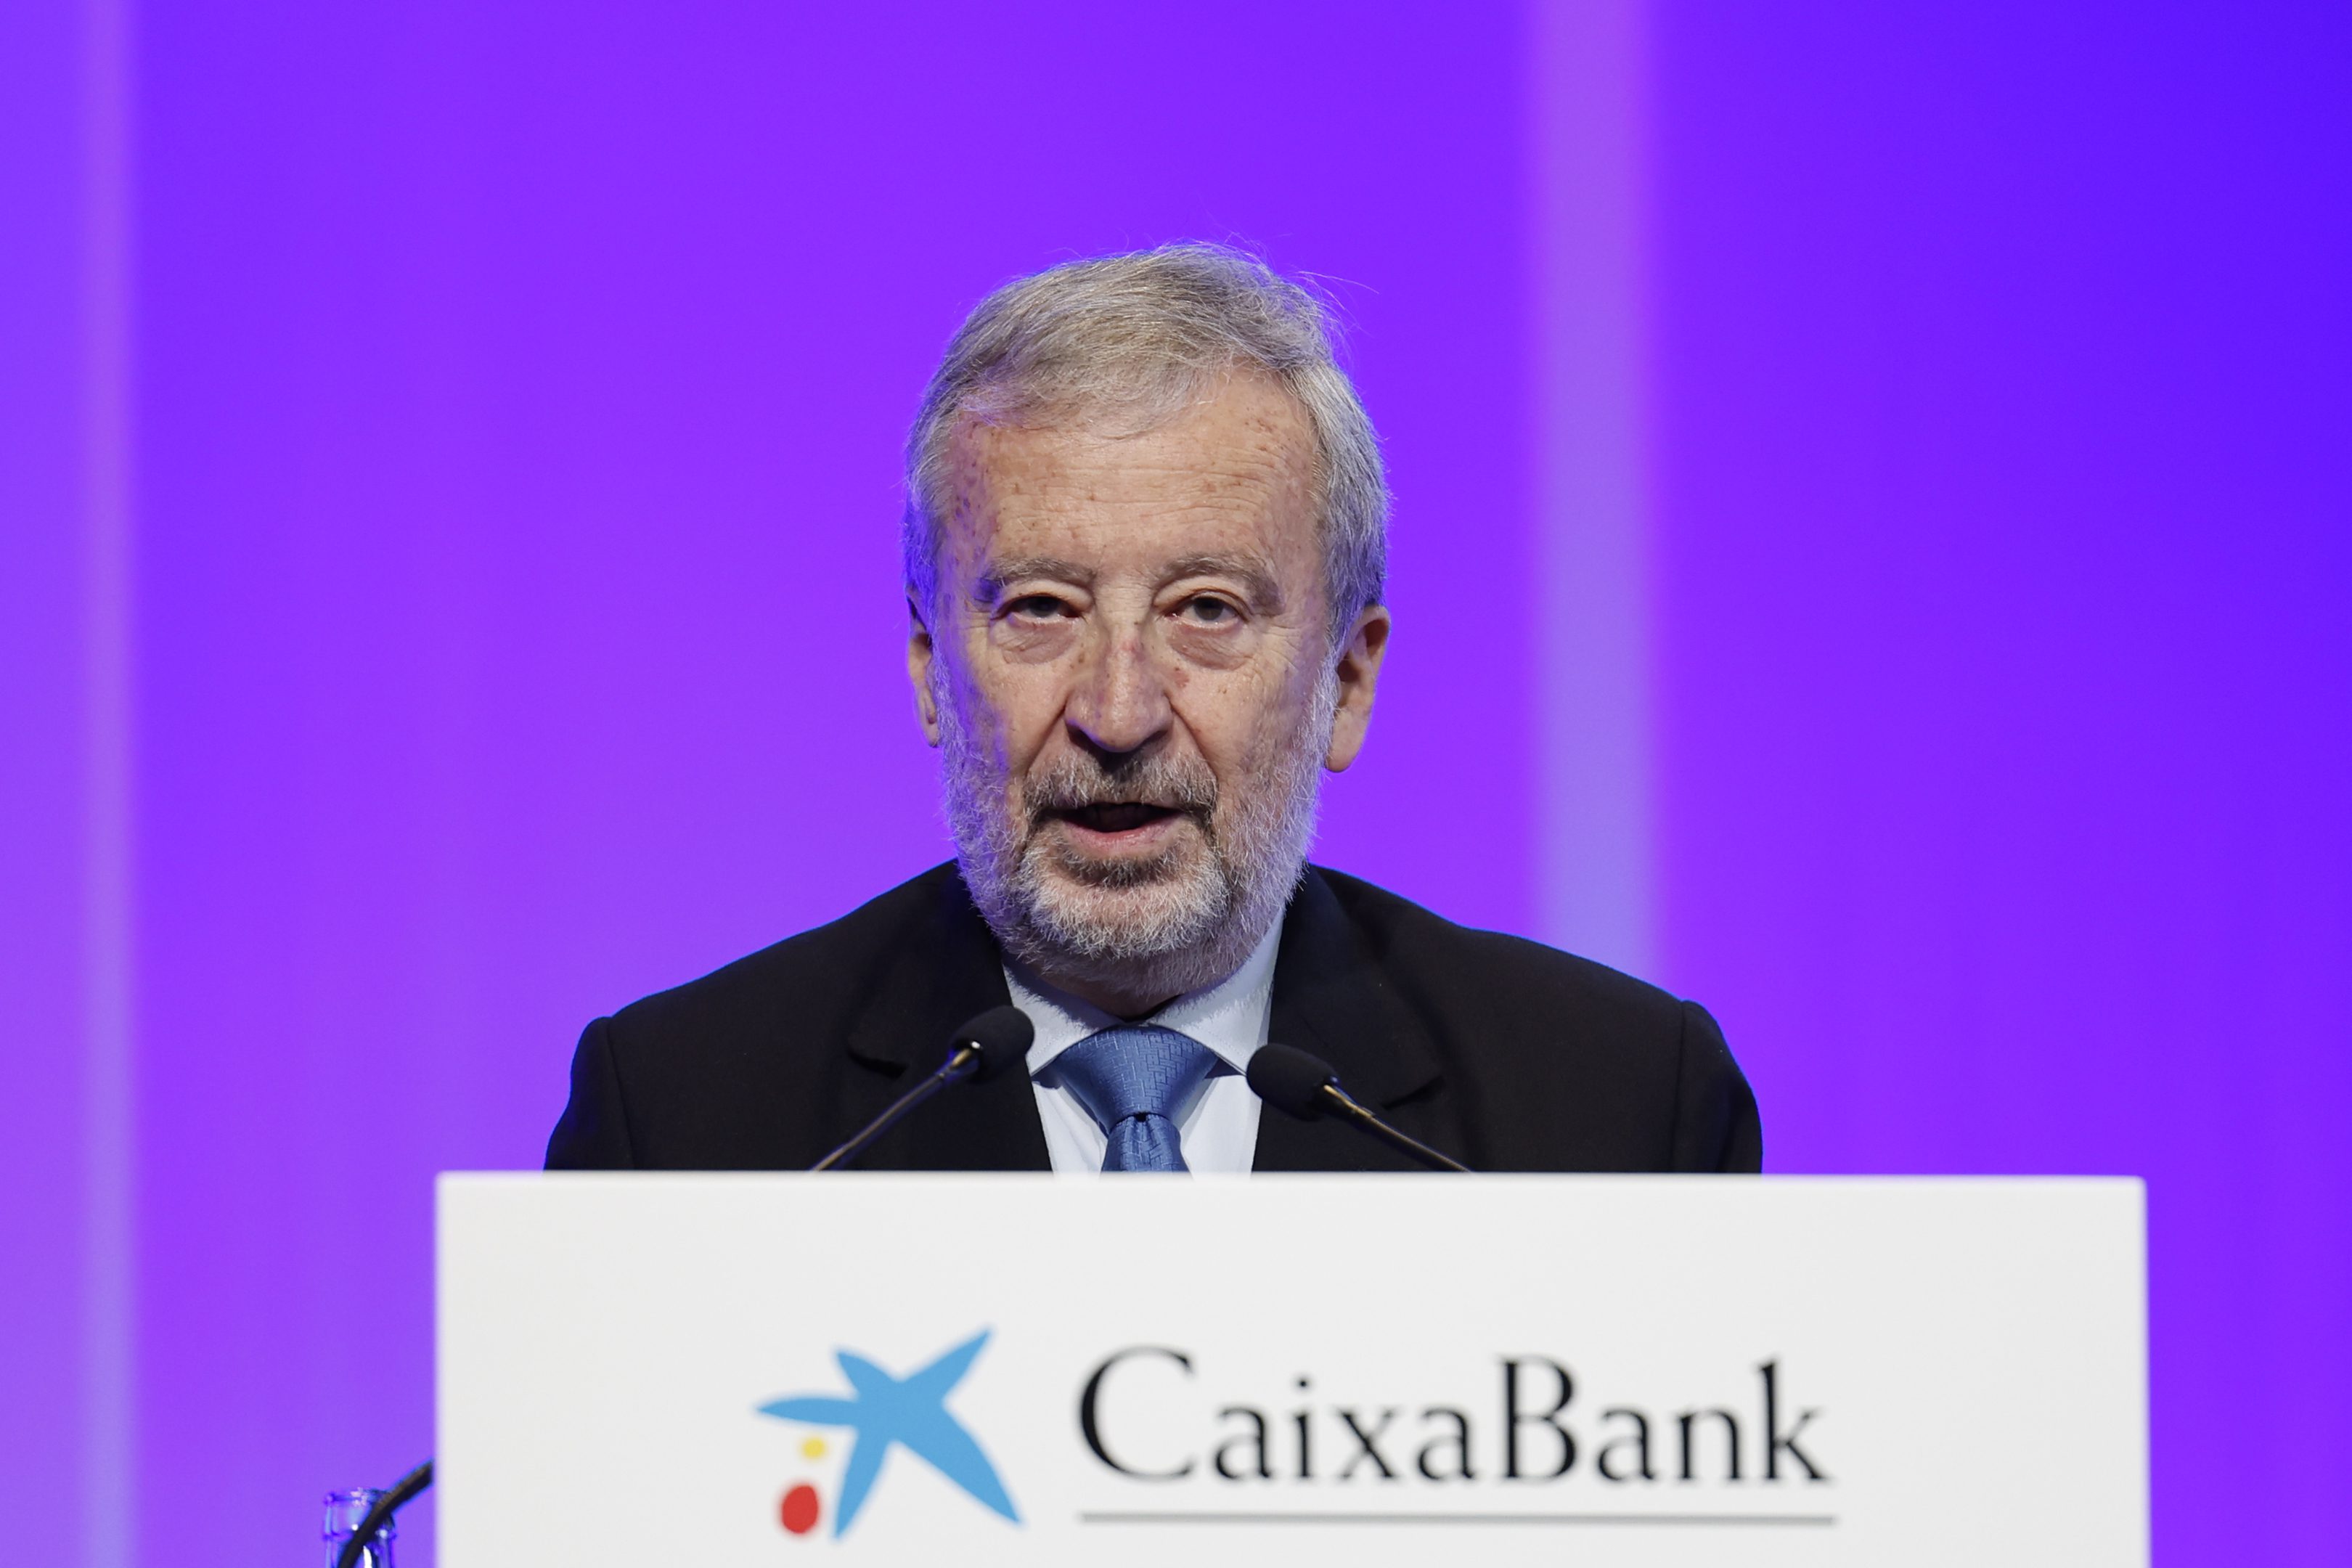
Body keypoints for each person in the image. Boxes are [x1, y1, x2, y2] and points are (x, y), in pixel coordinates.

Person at [546, 243, 1759, 1175]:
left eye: (1206, 610)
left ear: (1347, 681)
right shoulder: (686, 1120)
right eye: (1041, 608)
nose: (1119, 713)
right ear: (929, 668)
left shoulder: (1614, 1112)